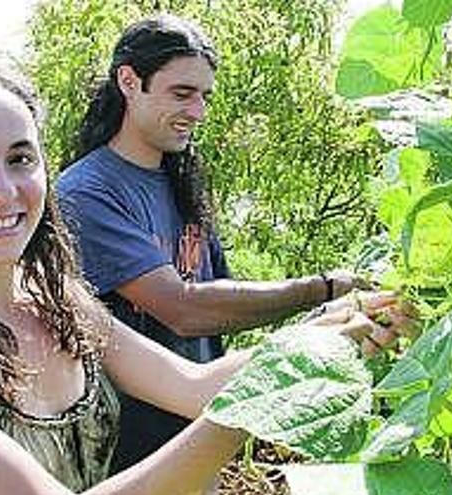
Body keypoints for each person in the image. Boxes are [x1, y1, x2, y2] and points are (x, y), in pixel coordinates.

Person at [0, 55, 411, 495]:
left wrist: (327, 333)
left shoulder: (53, 296)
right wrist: (258, 408)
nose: (2, 190)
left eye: (20, 158)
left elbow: (193, 386)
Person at [56, 14, 373, 472]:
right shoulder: (86, 192)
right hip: (129, 458)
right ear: (129, 81)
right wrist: (324, 288)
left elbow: (221, 308)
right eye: (182, 94)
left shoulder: (181, 182)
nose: (199, 112)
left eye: (204, 97)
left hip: (197, 434)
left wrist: (329, 319)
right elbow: (186, 310)